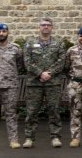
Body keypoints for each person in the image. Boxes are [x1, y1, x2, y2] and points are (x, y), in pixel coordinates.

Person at [23, 18, 66, 148]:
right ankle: (29, 138)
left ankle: (55, 137)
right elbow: (27, 61)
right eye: (43, 25)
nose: (46, 27)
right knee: (32, 111)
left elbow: (61, 61)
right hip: (34, 83)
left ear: (52, 27)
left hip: (53, 83)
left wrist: (49, 74)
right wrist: (40, 73)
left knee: (54, 110)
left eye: (48, 25)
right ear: (39, 27)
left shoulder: (59, 43)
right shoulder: (30, 43)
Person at [0, 23, 24, 149]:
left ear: (7, 33)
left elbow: (20, 65)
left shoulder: (16, 48)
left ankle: (13, 140)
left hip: (10, 86)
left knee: (11, 114)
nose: (1, 34)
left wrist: (10, 75)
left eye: (4, 31)